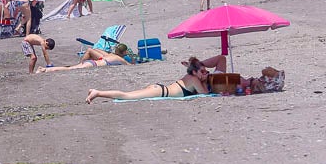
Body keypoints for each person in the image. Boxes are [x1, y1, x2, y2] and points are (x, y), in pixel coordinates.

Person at [86, 55, 226, 103]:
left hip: (160, 89)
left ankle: (97, 92)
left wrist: (204, 73)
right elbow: (205, 95)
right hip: (160, 92)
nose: (206, 73)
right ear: (195, 72)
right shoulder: (194, 80)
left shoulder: (190, 76)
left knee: (129, 95)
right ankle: (98, 93)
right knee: (126, 95)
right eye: (203, 71)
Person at [43, 44, 132, 72]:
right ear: (124, 52)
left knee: (70, 68)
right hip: (92, 64)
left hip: (93, 62)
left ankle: (45, 70)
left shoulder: (110, 55)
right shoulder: (120, 59)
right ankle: (44, 70)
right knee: (69, 69)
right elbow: (130, 65)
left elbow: (95, 50)